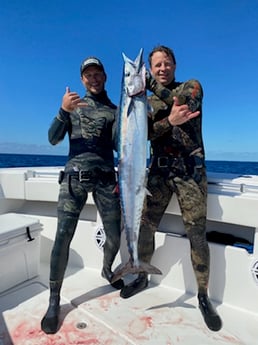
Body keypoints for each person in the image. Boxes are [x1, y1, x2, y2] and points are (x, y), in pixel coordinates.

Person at [120, 45, 222, 332]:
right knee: (145, 226)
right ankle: (140, 275)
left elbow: (186, 105)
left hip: (190, 172)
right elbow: (144, 133)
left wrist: (148, 85)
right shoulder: (147, 103)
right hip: (158, 173)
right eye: (156, 66)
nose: (162, 69)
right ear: (151, 70)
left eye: (166, 64)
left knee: (196, 234)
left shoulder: (192, 86)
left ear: (175, 65)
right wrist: (169, 121)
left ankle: (203, 296)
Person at [41, 56, 124, 334]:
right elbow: (53, 138)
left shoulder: (114, 110)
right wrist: (63, 111)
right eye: (88, 75)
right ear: (82, 80)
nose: (93, 78)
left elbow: (118, 145)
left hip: (105, 179)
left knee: (114, 234)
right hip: (74, 179)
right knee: (63, 236)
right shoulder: (72, 106)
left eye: (97, 73)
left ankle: (107, 269)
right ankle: (54, 300)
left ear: (105, 76)